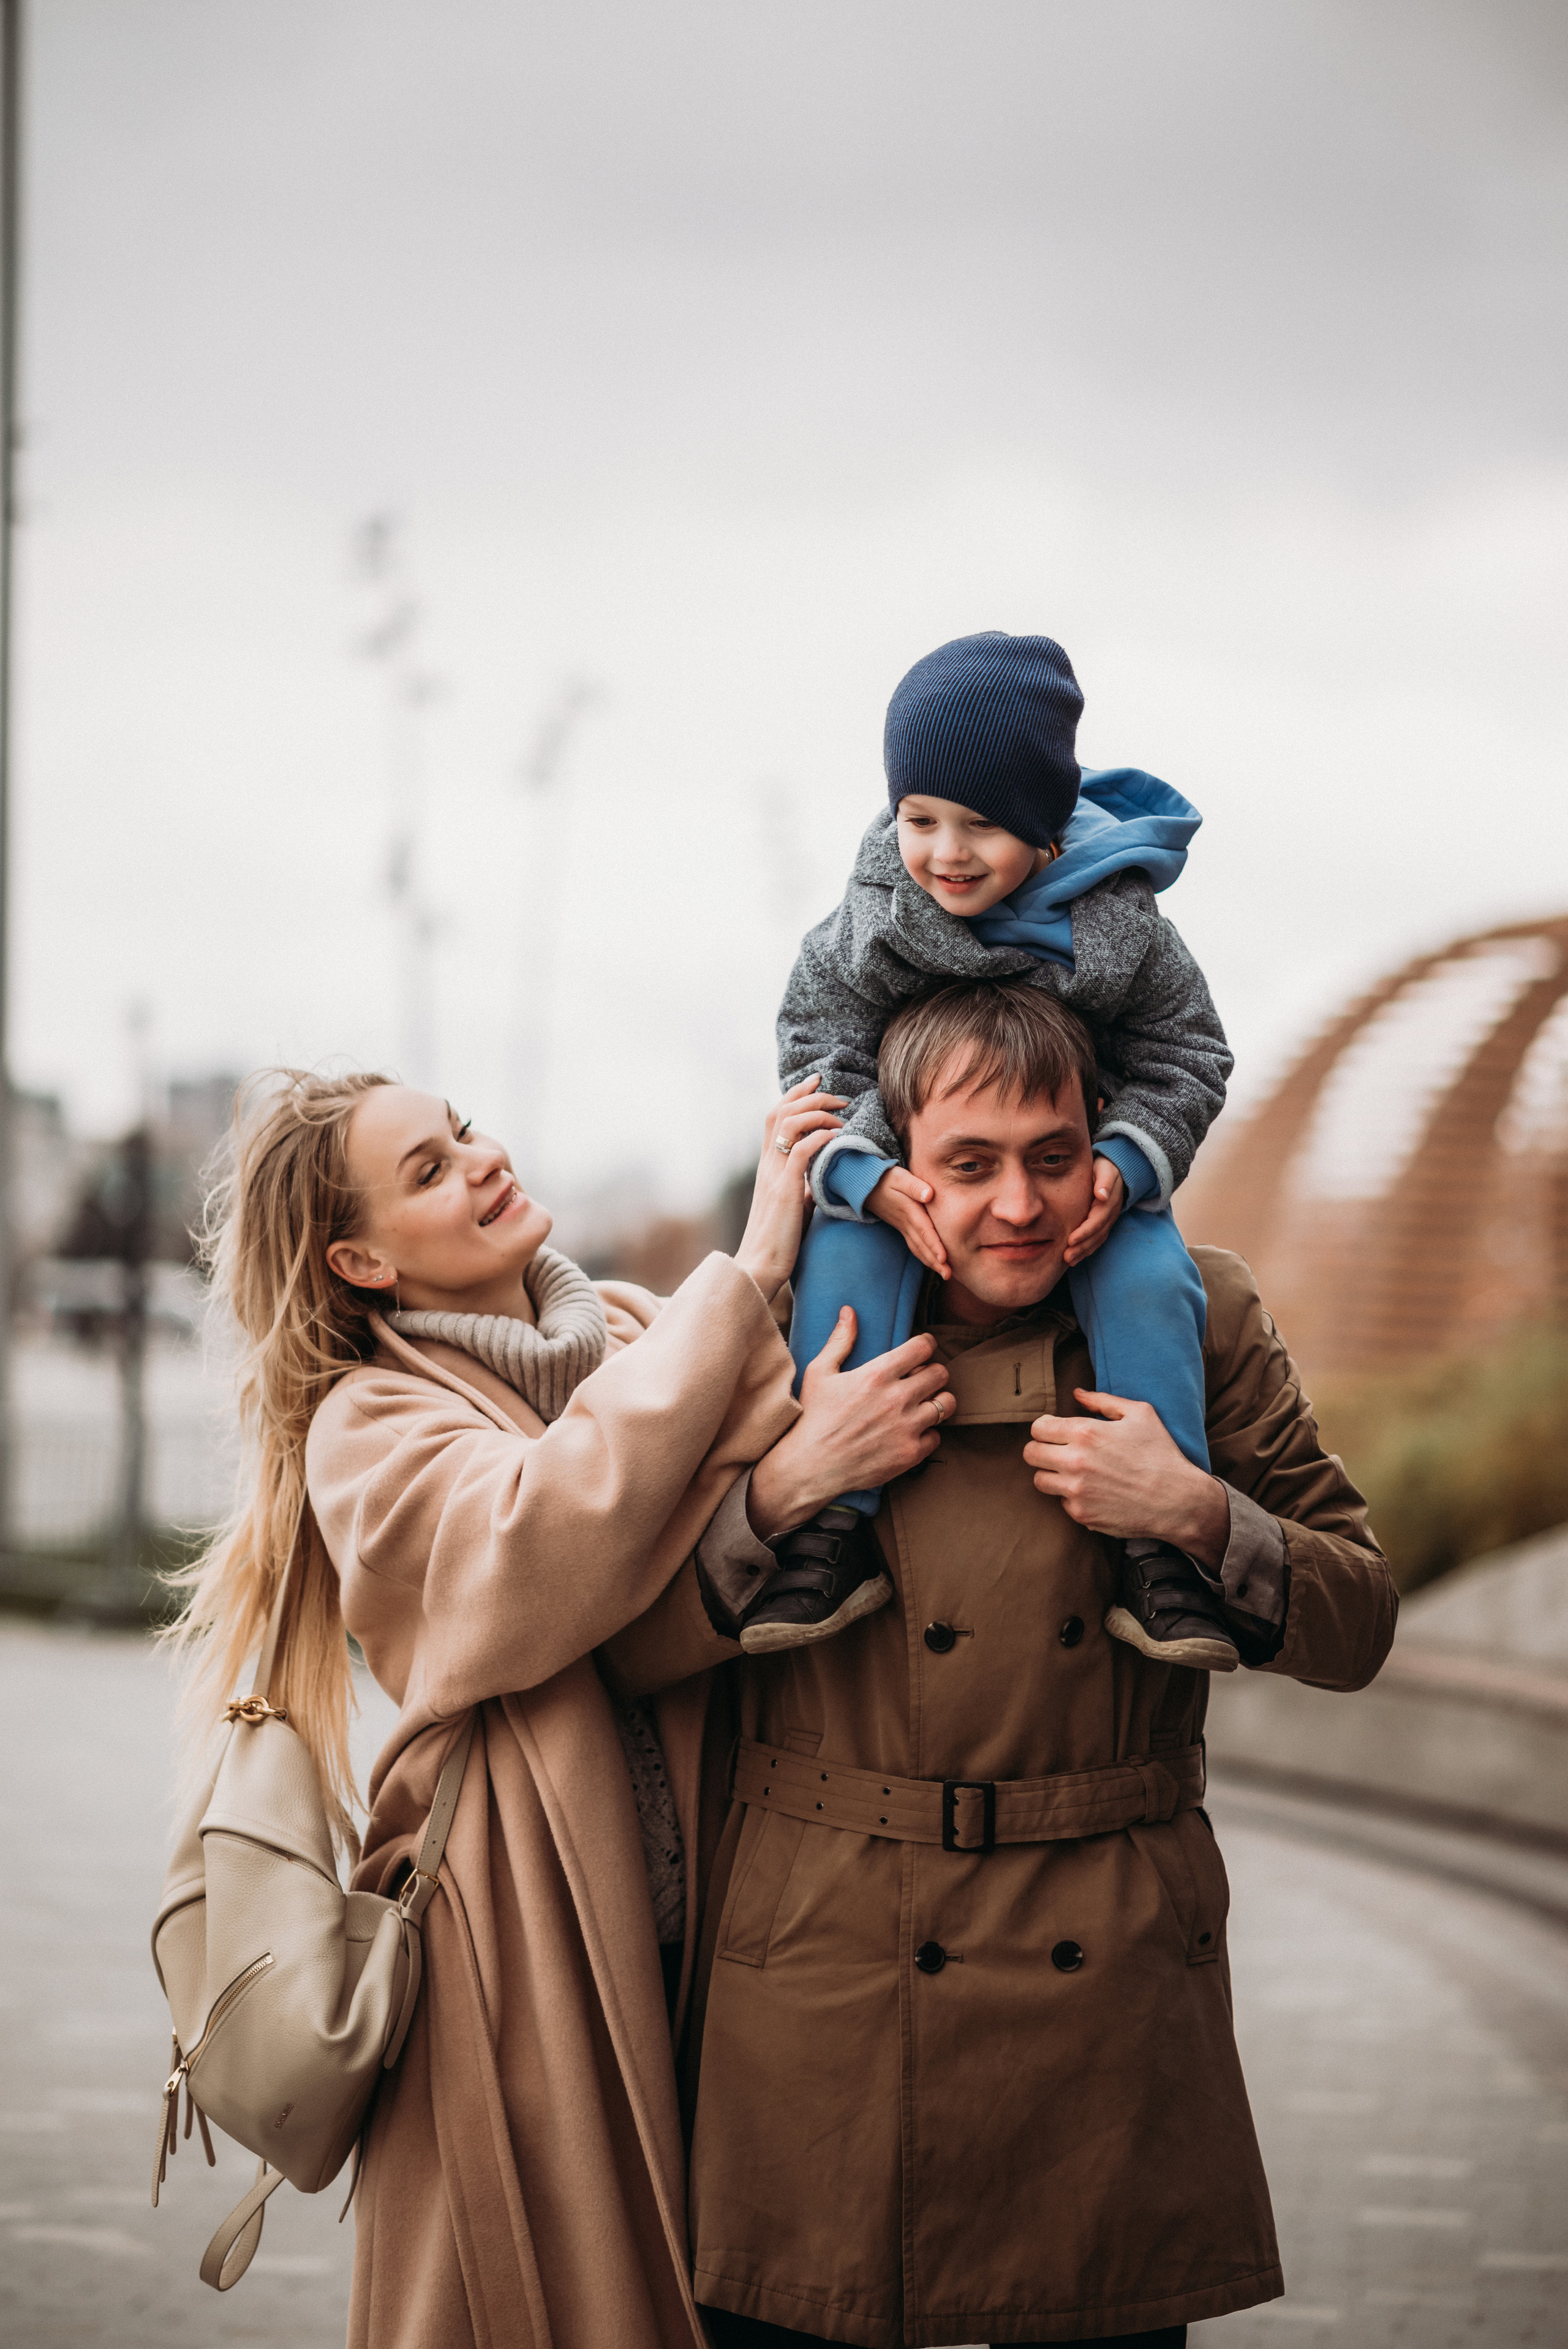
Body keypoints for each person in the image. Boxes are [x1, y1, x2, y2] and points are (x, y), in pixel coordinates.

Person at [167, 1065, 955, 2349]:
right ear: (359, 1259)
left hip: (729, 1942)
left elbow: (660, 1608)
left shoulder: (650, 1339)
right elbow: (534, 1546)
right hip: (520, 1954)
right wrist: (754, 1272)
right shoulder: (368, 1427)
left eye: (462, 1132)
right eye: (426, 1169)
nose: (479, 1160)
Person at [686, 978, 1398, 2349]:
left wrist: (1194, 1511)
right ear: (894, 1172)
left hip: (1105, 2002)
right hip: (824, 1981)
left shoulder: (1194, 1317)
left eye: (1052, 1158)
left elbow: (1358, 1619)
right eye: (967, 1166)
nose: (1018, 1206)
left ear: (1106, 1150)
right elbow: (619, 1628)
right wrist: (783, 1492)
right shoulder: (771, 1327)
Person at [747, 632, 1237, 1676]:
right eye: (920, 819)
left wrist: (1128, 1158)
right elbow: (817, 1047)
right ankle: (830, 1523)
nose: (946, 853)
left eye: (982, 824)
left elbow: (1186, 1051)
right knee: (841, 1270)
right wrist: (866, 1174)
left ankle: (1160, 1545)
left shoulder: (1121, 925)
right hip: (905, 1171)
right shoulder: (874, 919)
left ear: (1048, 829)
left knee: (1154, 1281)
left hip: (1080, 1177)